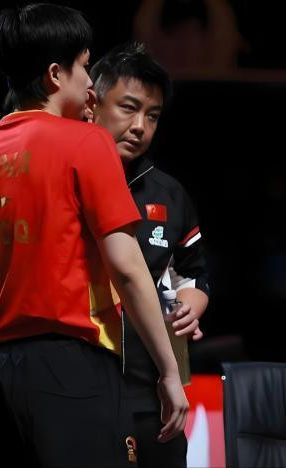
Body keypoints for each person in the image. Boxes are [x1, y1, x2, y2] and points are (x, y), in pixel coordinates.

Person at [0, 5, 187, 467]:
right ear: (55, 74)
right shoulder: (86, 143)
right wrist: (169, 371)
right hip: (68, 369)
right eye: (84, 66)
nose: (91, 83)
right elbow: (128, 269)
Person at [87, 41, 209, 468]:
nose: (140, 126)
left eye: (152, 116)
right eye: (128, 108)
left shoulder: (169, 193)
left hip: (154, 389)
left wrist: (191, 306)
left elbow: (193, 275)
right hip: (83, 386)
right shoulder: (66, 177)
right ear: (93, 103)